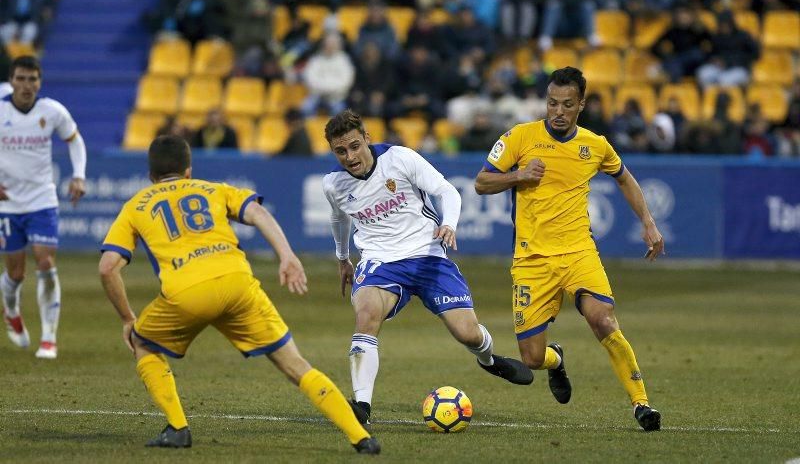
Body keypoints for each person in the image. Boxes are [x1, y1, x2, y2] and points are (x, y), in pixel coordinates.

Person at [98, 135, 379, 453]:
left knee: (142, 342)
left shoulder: (136, 205)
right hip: (238, 283)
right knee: (295, 364)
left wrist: (127, 318)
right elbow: (258, 214)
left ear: (151, 176)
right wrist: (286, 256)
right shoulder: (213, 189)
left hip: (186, 292)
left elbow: (108, 267)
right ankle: (361, 437)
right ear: (188, 170)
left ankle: (177, 428)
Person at [474, 67, 664, 432]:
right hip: (531, 260)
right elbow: (482, 182)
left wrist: (648, 222)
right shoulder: (519, 137)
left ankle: (642, 404)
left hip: (579, 252)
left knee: (603, 319)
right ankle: (556, 361)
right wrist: (518, 176)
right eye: (551, 103)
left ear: (581, 105)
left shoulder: (595, 145)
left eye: (566, 105)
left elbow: (625, 178)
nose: (557, 111)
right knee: (531, 358)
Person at [321, 110, 533, 426]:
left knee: (468, 334)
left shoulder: (400, 159)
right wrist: (342, 259)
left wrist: (448, 224)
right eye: (340, 151)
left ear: (367, 138)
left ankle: (489, 360)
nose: (350, 156)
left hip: (428, 255)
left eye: (354, 146)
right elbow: (339, 219)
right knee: (365, 314)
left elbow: (446, 191)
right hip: (381, 263)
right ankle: (361, 406)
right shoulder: (333, 184)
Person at [0, 55, 87, 359]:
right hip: (7, 204)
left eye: (32, 79)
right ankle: (11, 309)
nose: (26, 85)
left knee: (46, 263)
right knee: (15, 273)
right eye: (21, 78)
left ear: (40, 82)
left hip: (42, 200)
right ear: (11, 81)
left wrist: (78, 176)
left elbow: (75, 141)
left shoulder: (52, 111)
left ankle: (49, 338)